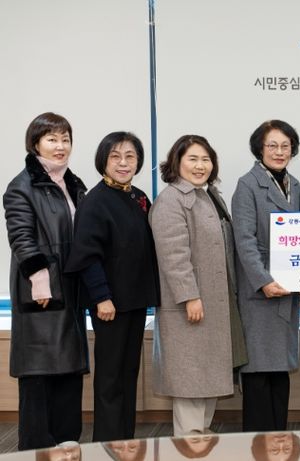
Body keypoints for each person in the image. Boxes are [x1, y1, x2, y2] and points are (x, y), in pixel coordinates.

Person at [65, 132, 160, 441]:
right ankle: (106, 445)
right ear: (103, 161)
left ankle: (125, 442)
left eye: (130, 156)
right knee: (109, 378)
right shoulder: (95, 201)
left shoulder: (137, 197)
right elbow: (87, 256)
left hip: (134, 300)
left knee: (128, 374)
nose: (123, 163)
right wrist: (102, 297)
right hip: (109, 304)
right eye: (115, 156)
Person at [150, 135, 246, 435]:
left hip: (214, 303)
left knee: (207, 378)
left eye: (206, 159)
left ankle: (199, 440)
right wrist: (189, 296)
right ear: (177, 162)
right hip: (190, 307)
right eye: (192, 159)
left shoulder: (209, 195)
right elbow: (173, 256)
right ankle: (188, 444)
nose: (200, 165)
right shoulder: (171, 200)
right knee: (190, 381)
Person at [3, 112, 89, 450]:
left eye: (65, 139)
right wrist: (41, 282)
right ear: (35, 143)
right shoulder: (22, 186)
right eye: (52, 139)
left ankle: (67, 448)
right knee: (38, 377)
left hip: (70, 292)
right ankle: (35, 451)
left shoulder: (73, 183)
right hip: (40, 294)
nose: (60, 146)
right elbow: (22, 238)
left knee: (68, 374)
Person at [232, 120, 300, 431]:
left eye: (285, 146)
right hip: (260, 294)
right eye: (272, 145)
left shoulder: (295, 185)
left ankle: (279, 443)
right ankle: (257, 445)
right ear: (259, 149)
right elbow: (244, 241)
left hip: (287, 291)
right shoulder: (247, 185)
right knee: (259, 373)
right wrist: (264, 281)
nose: (279, 151)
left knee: (279, 372)